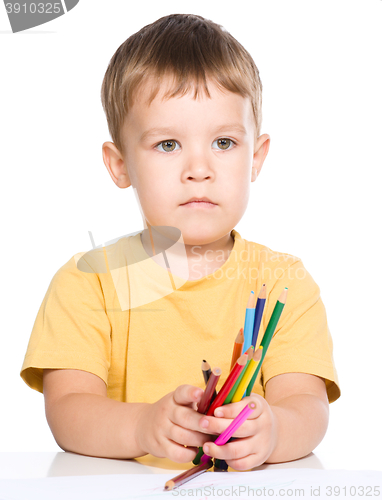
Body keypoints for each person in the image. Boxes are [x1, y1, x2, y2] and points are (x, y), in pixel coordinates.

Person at [20, 13, 340, 471]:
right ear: (120, 165)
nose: (199, 168)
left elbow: (308, 407)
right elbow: (67, 410)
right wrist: (142, 427)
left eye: (224, 143)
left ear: (256, 156)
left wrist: (274, 433)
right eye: (168, 144)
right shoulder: (87, 283)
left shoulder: (283, 282)